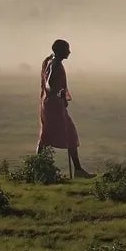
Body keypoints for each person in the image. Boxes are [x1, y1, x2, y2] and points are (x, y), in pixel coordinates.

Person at [36, 38, 91, 179]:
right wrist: (58, 92)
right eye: (67, 49)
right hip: (53, 105)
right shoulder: (55, 64)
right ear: (60, 51)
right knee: (65, 134)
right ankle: (76, 170)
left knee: (52, 135)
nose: (69, 52)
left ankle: (37, 167)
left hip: (53, 104)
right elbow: (49, 84)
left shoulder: (53, 61)